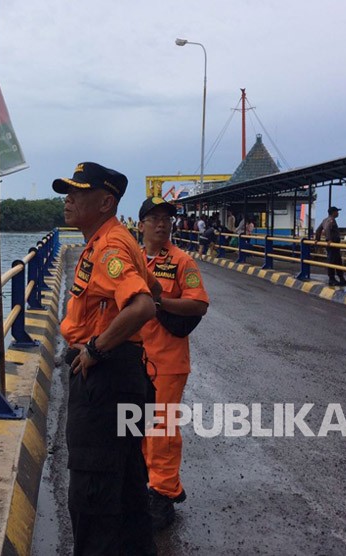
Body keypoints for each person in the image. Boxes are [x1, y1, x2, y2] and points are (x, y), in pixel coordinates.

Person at [52, 162, 158, 556]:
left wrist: (97, 348)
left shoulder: (110, 247)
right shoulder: (113, 241)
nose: (69, 199)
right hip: (124, 377)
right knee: (127, 488)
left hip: (105, 384)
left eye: (78, 191)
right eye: (69, 191)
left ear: (106, 201)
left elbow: (144, 304)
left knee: (93, 498)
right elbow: (154, 286)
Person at [137, 197, 209, 530]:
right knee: (134, 426)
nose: (162, 224)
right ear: (141, 226)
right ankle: (147, 487)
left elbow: (197, 305)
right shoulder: (130, 262)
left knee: (161, 432)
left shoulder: (182, 263)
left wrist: (159, 300)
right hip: (132, 359)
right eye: (154, 218)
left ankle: (163, 494)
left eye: (167, 219)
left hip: (167, 361)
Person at [315, 206, 346, 286]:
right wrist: (329, 239)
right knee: (334, 261)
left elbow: (318, 230)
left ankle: (341, 278)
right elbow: (328, 229)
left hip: (332, 244)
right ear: (333, 212)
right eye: (337, 211)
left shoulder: (324, 220)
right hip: (333, 243)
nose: (338, 213)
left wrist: (317, 239)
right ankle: (332, 279)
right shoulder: (331, 220)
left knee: (336, 261)